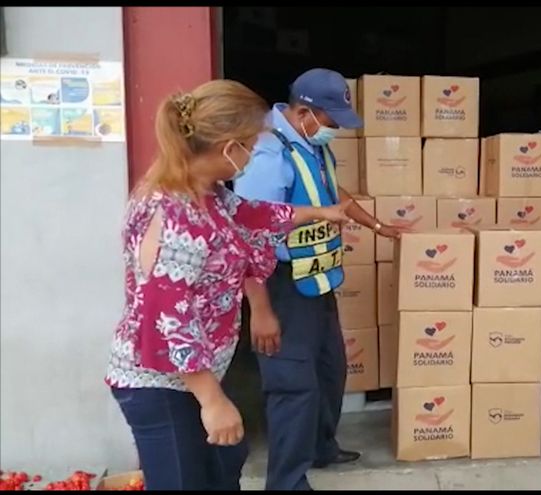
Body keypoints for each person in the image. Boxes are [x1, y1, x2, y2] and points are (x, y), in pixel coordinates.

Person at [105, 80, 350, 491]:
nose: (254, 154)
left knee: (224, 467)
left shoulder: (210, 194)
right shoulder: (174, 216)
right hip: (163, 385)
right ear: (227, 147)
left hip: (195, 377)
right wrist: (213, 401)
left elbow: (253, 213)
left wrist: (319, 212)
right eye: (251, 145)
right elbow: (165, 322)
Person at [234, 68, 401, 491]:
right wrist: (262, 311)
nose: (336, 131)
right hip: (281, 283)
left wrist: (380, 226)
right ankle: (287, 482)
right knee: (293, 385)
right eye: (332, 121)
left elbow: (335, 193)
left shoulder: (308, 143)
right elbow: (250, 236)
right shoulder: (268, 155)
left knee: (331, 370)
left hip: (318, 279)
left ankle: (320, 447)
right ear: (304, 112)